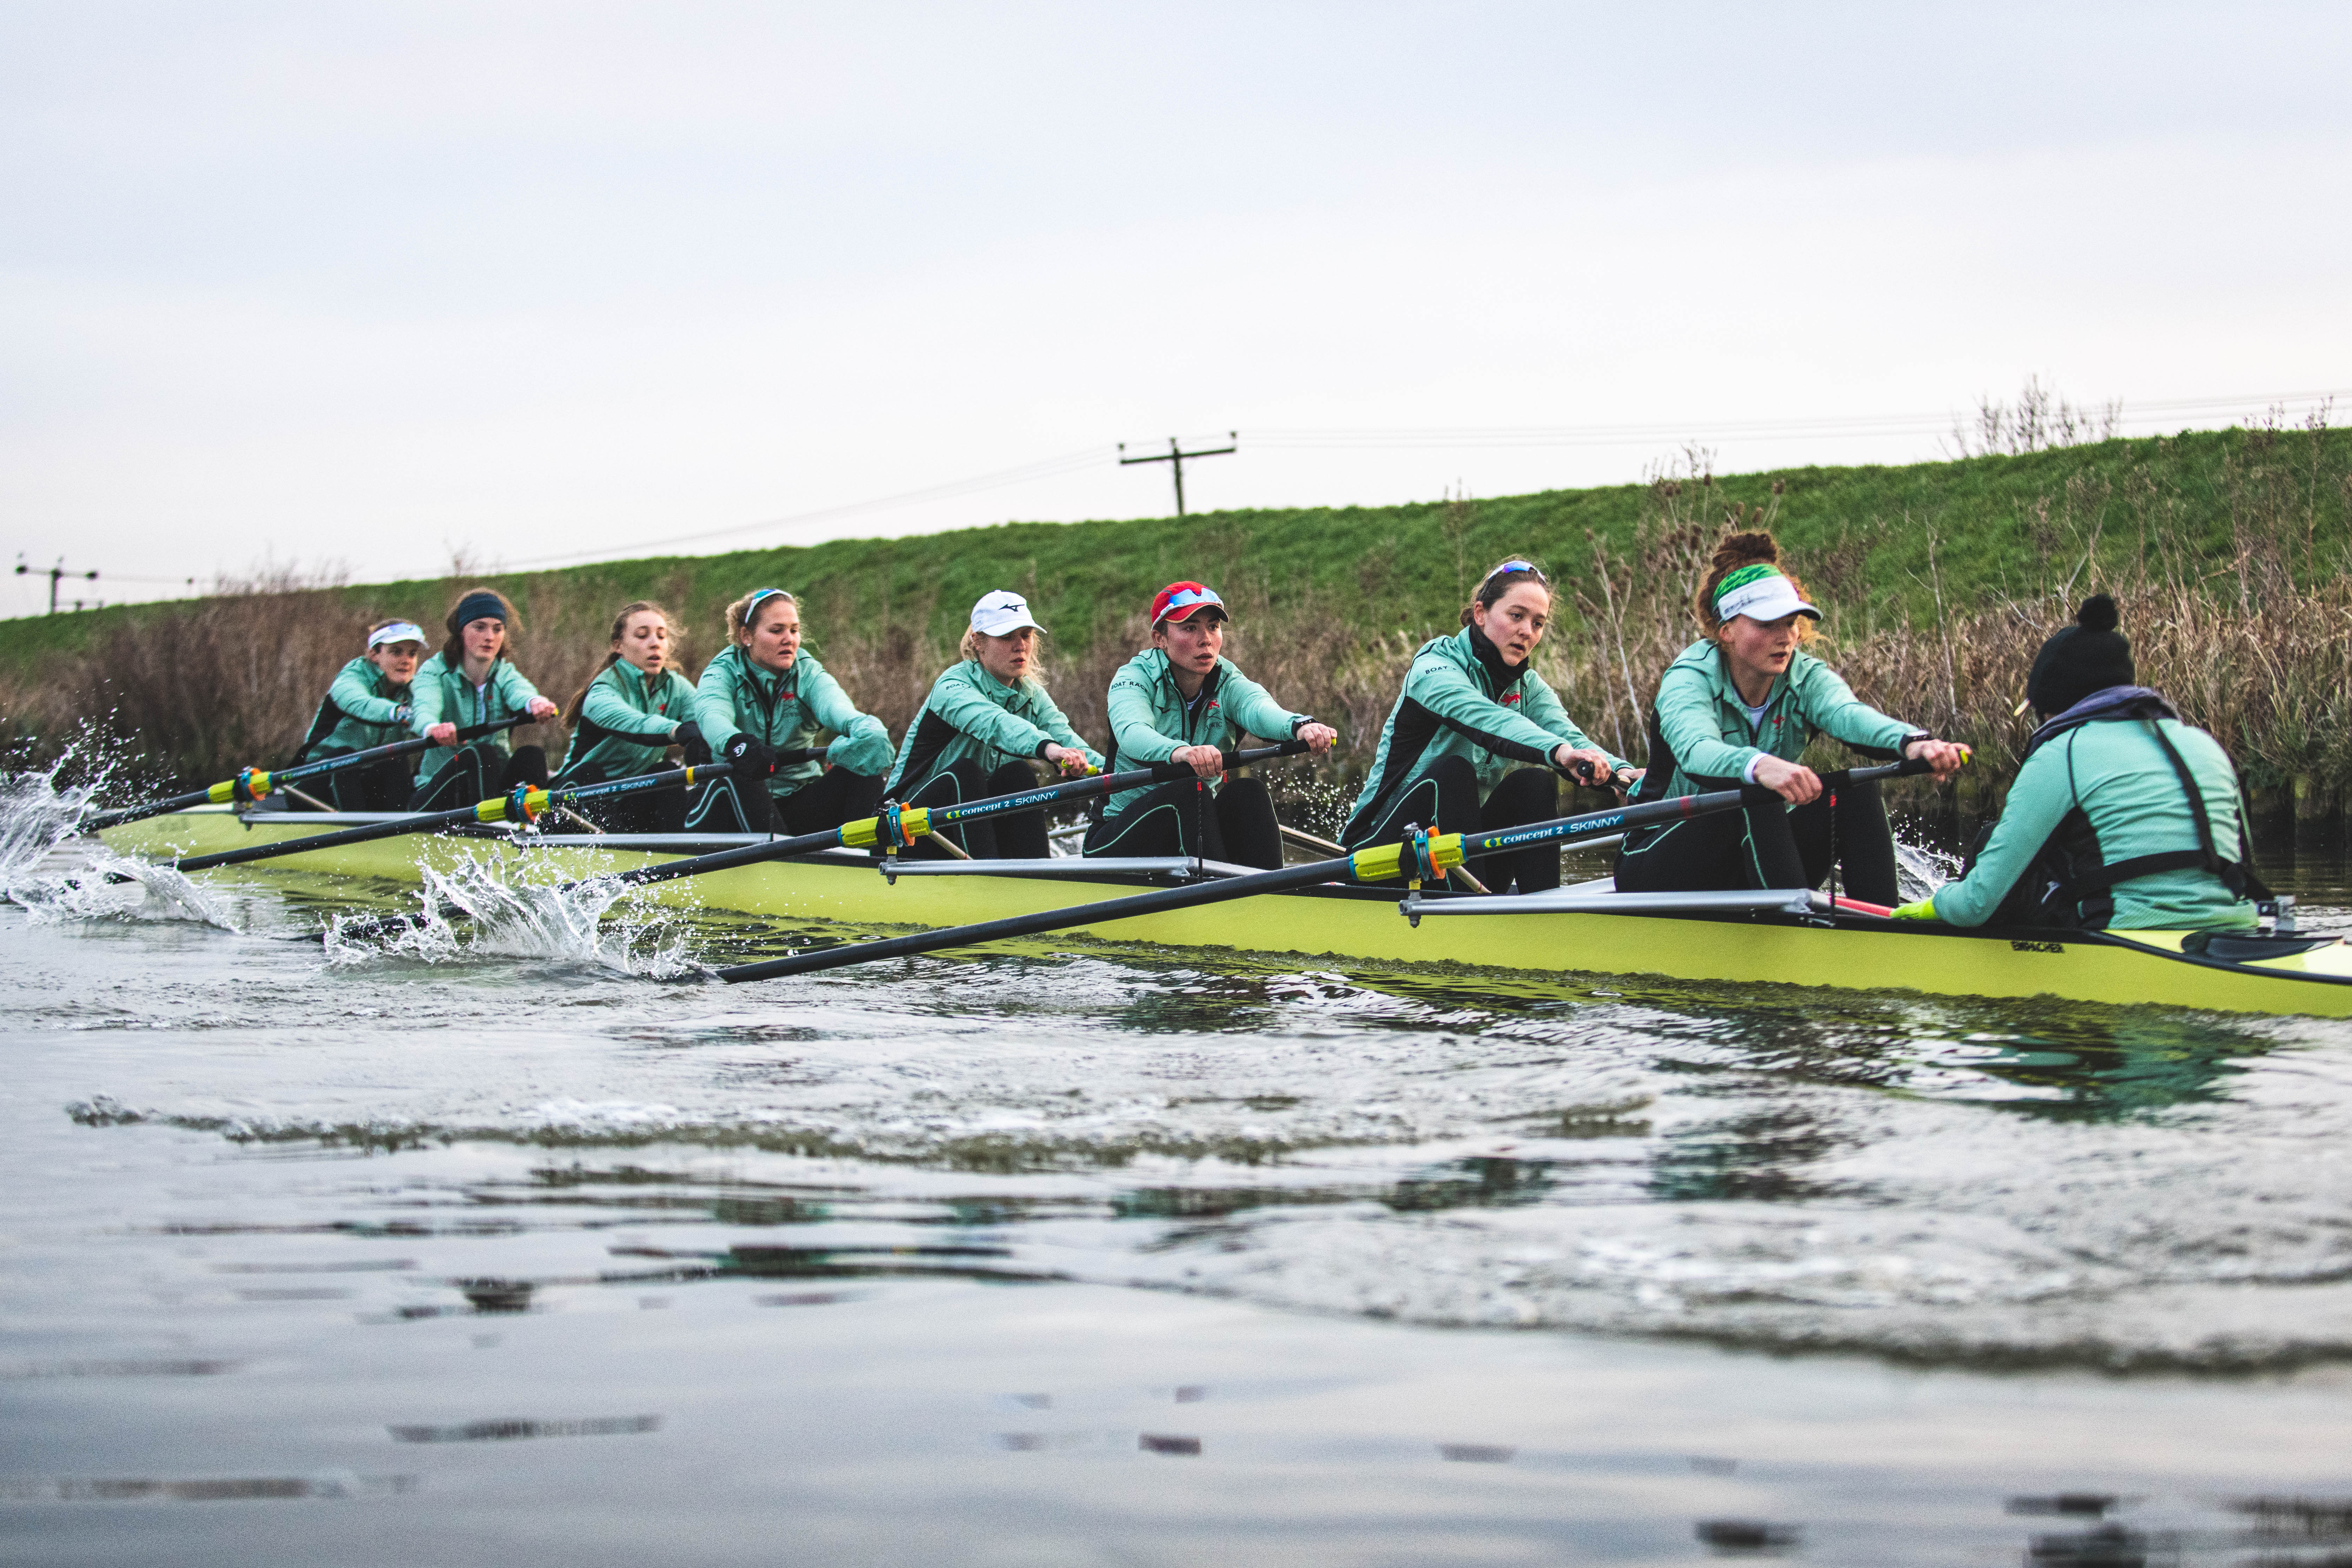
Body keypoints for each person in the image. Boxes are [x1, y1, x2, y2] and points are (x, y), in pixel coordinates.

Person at [1613, 531, 1965, 903]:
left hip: (1756, 852)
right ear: (1726, 630)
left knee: (1855, 794)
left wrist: (1913, 743)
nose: (1785, 637)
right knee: (1755, 797)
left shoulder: (1805, 677)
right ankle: (1792, 926)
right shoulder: (1690, 678)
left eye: (1791, 622)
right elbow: (1697, 750)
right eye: (1767, 625)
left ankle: (1882, 925)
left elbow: (1850, 715)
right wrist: (1761, 766)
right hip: (1653, 858)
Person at [1893, 593, 2261, 930]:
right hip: (2235, 926)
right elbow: (2242, 860)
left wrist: (1933, 906)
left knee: (1993, 840)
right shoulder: (2203, 743)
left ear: (2052, 707)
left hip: (2126, 934)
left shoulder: (2062, 752)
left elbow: (1975, 905)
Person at [1342, 559, 1633, 894]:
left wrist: (1627, 775)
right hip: (1379, 855)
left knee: (1535, 784)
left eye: (1538, 623)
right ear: (1480, 614)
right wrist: (1559, 753)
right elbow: (1488, 720)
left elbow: (1570, 738)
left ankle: (1544, 911)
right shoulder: (1434, 668)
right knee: (1454, 772)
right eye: (1517, 616)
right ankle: (1471, 911)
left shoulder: (1529, 688)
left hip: (1456, 860)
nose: (1527, 631)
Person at [1084, 582, 1338, 867]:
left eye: (1213, 627)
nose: (1205, 640)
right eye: (1190, 628)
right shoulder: (1134, 678)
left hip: (1194, 831)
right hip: (1115, 838)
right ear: (1160, 638)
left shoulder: (1227, 680)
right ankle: (1226, 889)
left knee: (1248, 792)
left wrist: (1301, 726)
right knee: (1190, 791)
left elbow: (1258, 708)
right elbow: (1133, 732)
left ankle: (1272, 889)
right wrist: (1182, 752)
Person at [883, 590, 1103, 859]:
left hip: (967, 832)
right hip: (903, 833)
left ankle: (1038, 876)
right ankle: (987, 875)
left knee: (1017, 775)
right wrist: (1050, 750)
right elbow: (996, 724)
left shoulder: (1031, 695)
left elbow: (1074, 745)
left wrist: (1122, 774)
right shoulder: (952, 687)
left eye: (1026, 635)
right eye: (1006, 637)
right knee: (966, 773)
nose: (1020, 646)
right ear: (978, 642)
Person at [685, 588, 893, 835]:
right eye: (777, 631)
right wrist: (737, 744)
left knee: (864, 769)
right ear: (746, 636)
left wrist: (864, 726)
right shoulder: (721, 672)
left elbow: (837, 708)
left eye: (794, 630)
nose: (789, 640)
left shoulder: (808, 673)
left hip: (796, 801)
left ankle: (867, 855)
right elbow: (712, 716)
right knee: (741, 775)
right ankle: (786, 853)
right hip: (726, 809)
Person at [550, 601, 704, 833]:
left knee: (666, 771)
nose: (655, 643)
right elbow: (635, 723)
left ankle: (681, 849)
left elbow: (707, 718)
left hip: (627, 801)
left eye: (661, 636)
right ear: (618, 646)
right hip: (570, 803)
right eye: (642, 636)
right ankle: (615, 847)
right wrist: (677, 730)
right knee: (590, 773)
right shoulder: (602, 691)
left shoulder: (677, 687)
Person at [407, 587, 559, 811]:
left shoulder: (504, 672)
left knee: (531, 755)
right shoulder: (434, 671)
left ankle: (536, 826)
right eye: (480, 628)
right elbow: (424, 708)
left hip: (490, 785)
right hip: (437, 792)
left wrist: (536, 703)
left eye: (498, 629)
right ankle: (492, 825)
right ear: (461, 632)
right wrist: (432, 728)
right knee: (481, 754)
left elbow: (521, 691)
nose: (490, 637)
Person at [288, 618, 427, 810]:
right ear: (374, 655)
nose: (406, 661)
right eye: (396, 652)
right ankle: (359, 825)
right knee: (345, 756)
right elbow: (362, 704)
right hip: (310, 784)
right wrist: (399, 713)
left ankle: (402, 825)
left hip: (361, 785)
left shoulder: (414, 689)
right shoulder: (352, 678)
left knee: (395, 760)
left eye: (412, 654)